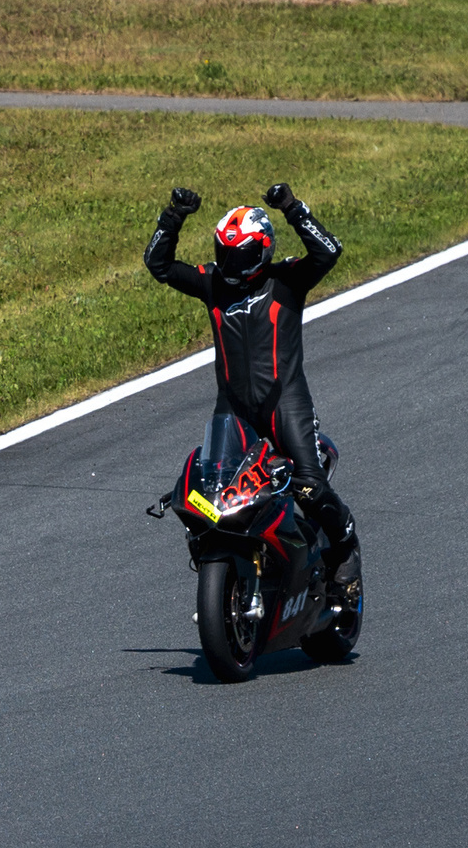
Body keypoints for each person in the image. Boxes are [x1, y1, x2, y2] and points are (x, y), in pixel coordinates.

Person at [145, 182, 355, 584]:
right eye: (222, 252)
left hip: (285, 403)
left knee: (309, 487)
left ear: (261, 249)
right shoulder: (213, 284)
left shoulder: (287, 280)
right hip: (233, 409)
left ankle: (344, 545)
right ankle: (229, 563)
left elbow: (329, 250)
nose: (228, 262)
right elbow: (159, 265)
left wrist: (292, 208)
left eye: (237, 253)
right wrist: (173, 216)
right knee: (204, 498)